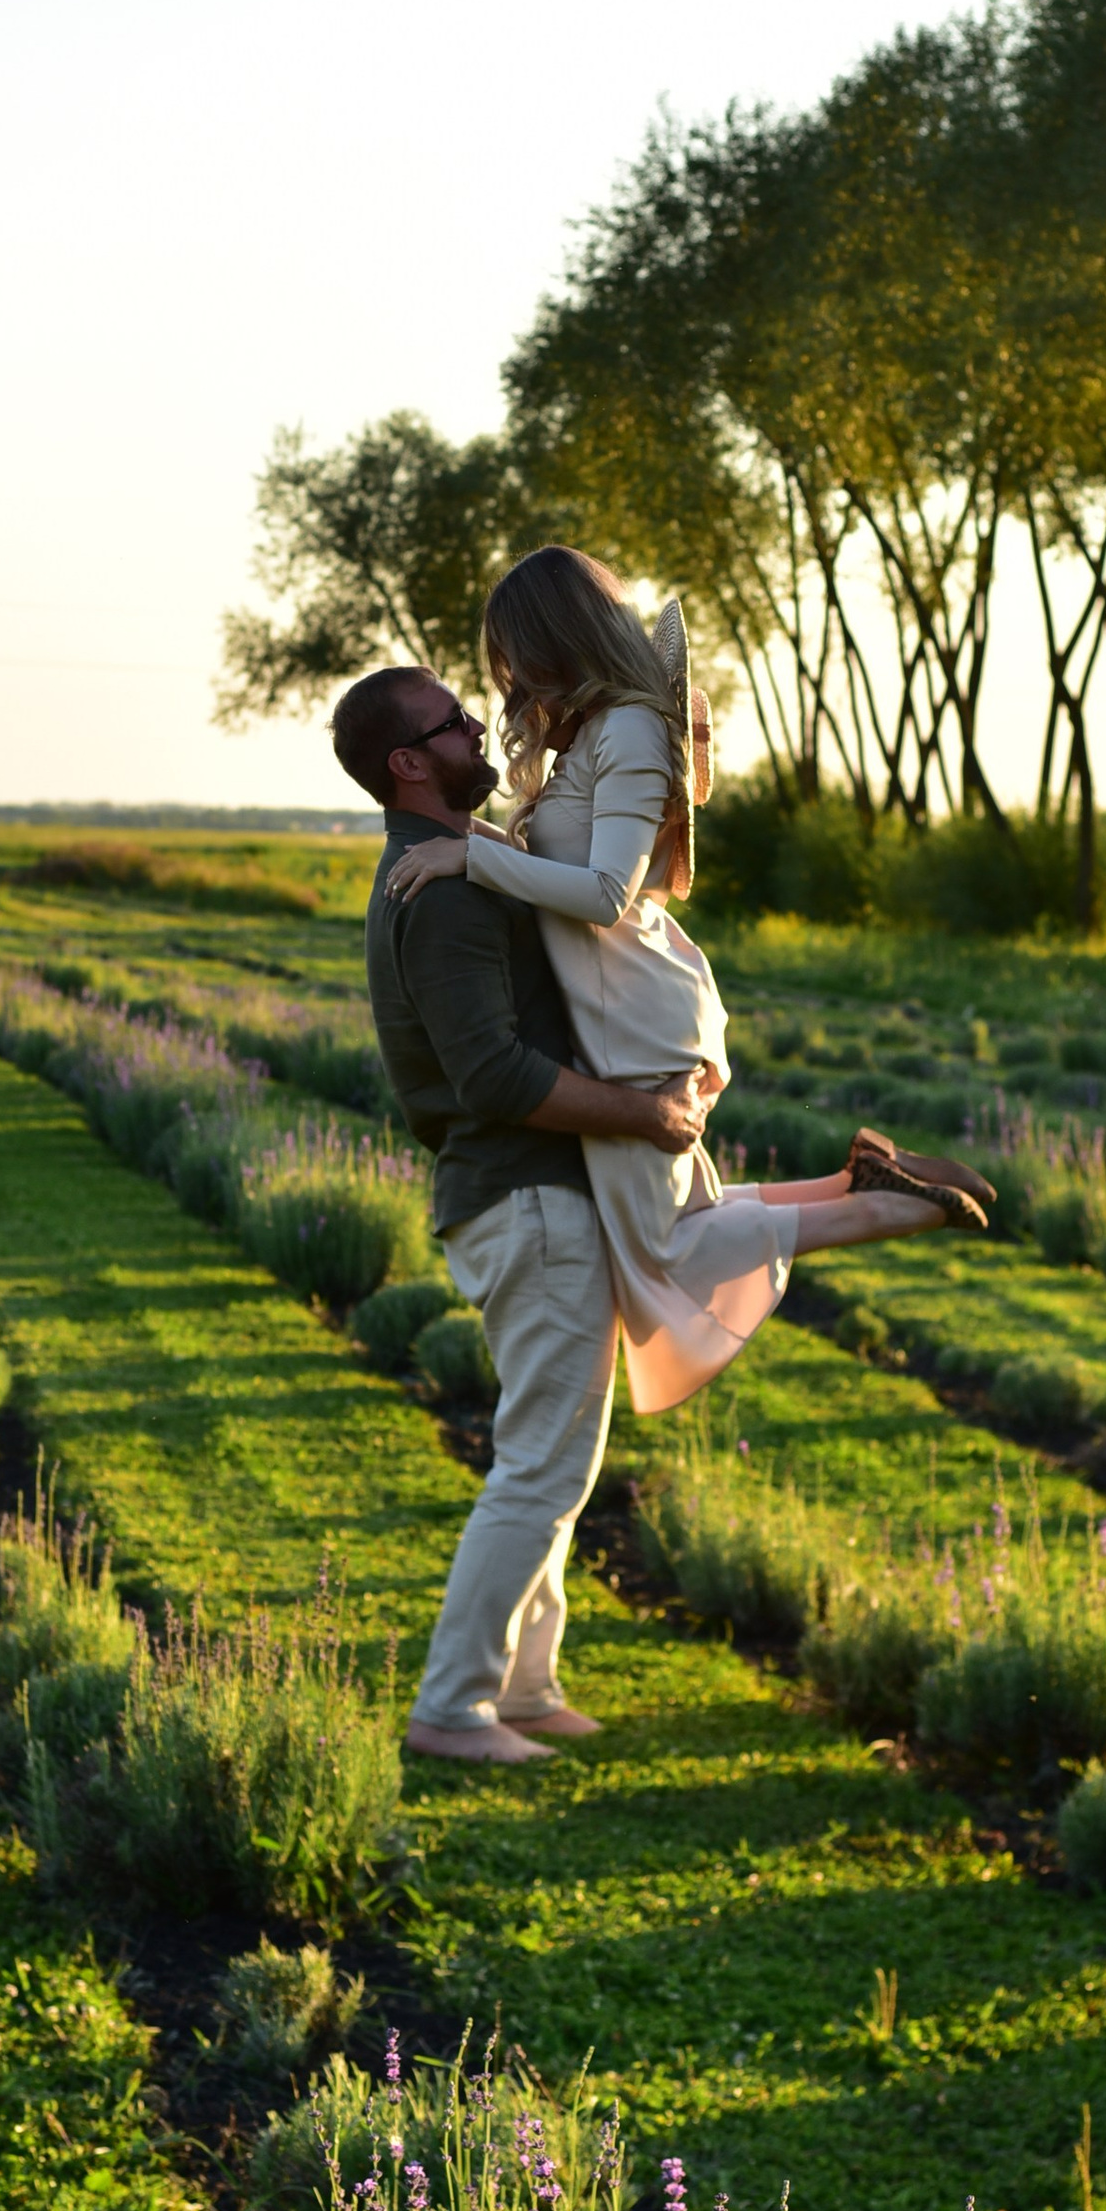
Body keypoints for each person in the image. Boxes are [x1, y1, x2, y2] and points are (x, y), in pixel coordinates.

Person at [385, 547, 991, 1415]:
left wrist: (475, 854)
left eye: (513, 650)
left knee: (663, 1245)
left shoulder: (628, 728)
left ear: (553, 636)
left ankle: (898, 1209)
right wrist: (495, 848)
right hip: (624, 1003)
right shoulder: (594, 735)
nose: (508, 676)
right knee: (682, 1209)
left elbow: (604, 893)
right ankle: (863, 1179)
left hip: (631, 1006)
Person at [333, 658, 707, 1769]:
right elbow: (492, 1074)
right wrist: (644, 1115)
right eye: (450, 720)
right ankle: (452, 1708)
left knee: (555, 1456)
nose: (474, 726)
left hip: (530, 1195)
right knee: (540, 1465)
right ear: (410, 762)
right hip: (524, 1195)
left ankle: (526, 1685)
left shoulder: (461, 866)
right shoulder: (439, 891)